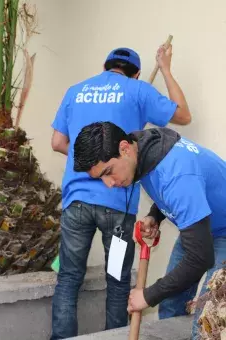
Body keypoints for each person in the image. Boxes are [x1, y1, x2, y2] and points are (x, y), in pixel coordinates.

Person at [50, 43, 191, 339]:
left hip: (75, 203)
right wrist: (165, 67)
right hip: (117, 207)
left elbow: (57, 142)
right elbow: (183, 115)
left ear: (104, 67)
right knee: (116, 280)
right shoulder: (137, 90)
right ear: (137, 74)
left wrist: (92, 167)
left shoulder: (76, 90)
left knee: (68, 278)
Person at [73, 121, 226, 339]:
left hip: (221, 231)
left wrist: (148, 295)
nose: (109, 183)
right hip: (200, 223)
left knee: (208, 325)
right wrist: (155, 215)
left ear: (124, 148)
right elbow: (173, 191)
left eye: (108, 172)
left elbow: (200, 257)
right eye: (101, 178)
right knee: (172, 305)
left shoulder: (177, 174)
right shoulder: (144, 149)